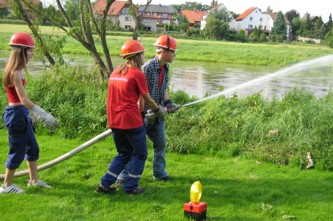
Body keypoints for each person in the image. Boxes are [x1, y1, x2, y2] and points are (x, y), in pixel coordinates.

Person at [96, 40, 166, 195]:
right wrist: (158, 109)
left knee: (123, 153)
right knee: (141, 153)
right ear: (137, 56)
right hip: (130, 121)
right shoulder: (137, 74)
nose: (144, 56)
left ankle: (105, 184)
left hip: (114, 120)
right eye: (142, 53)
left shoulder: (115, 72)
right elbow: (146, 98)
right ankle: (131, 187)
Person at [116, 35, 180, 184]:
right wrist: (142, 114)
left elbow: (162, 89)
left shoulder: (166, 67)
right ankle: (122, 177)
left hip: (157, 115)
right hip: (143, 115)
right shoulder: (148, 68)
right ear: (164, 51)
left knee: (161, 144)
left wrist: (168, 103)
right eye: (173, 52)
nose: (175, 55)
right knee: (133, 148)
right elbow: (140, 93)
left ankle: (159, 172)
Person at [0, 32, 58, 194]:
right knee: (17, 151)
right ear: (21, 51)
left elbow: (23, 103)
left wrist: (31, 115)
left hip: (21, 113)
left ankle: (34, 180)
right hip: (16, 114)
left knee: (32, 148)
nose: (32, 54)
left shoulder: (18, 70)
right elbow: (23, 99)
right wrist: (43, 114)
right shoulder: (15, 72)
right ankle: (6, 186)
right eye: (30, 50)